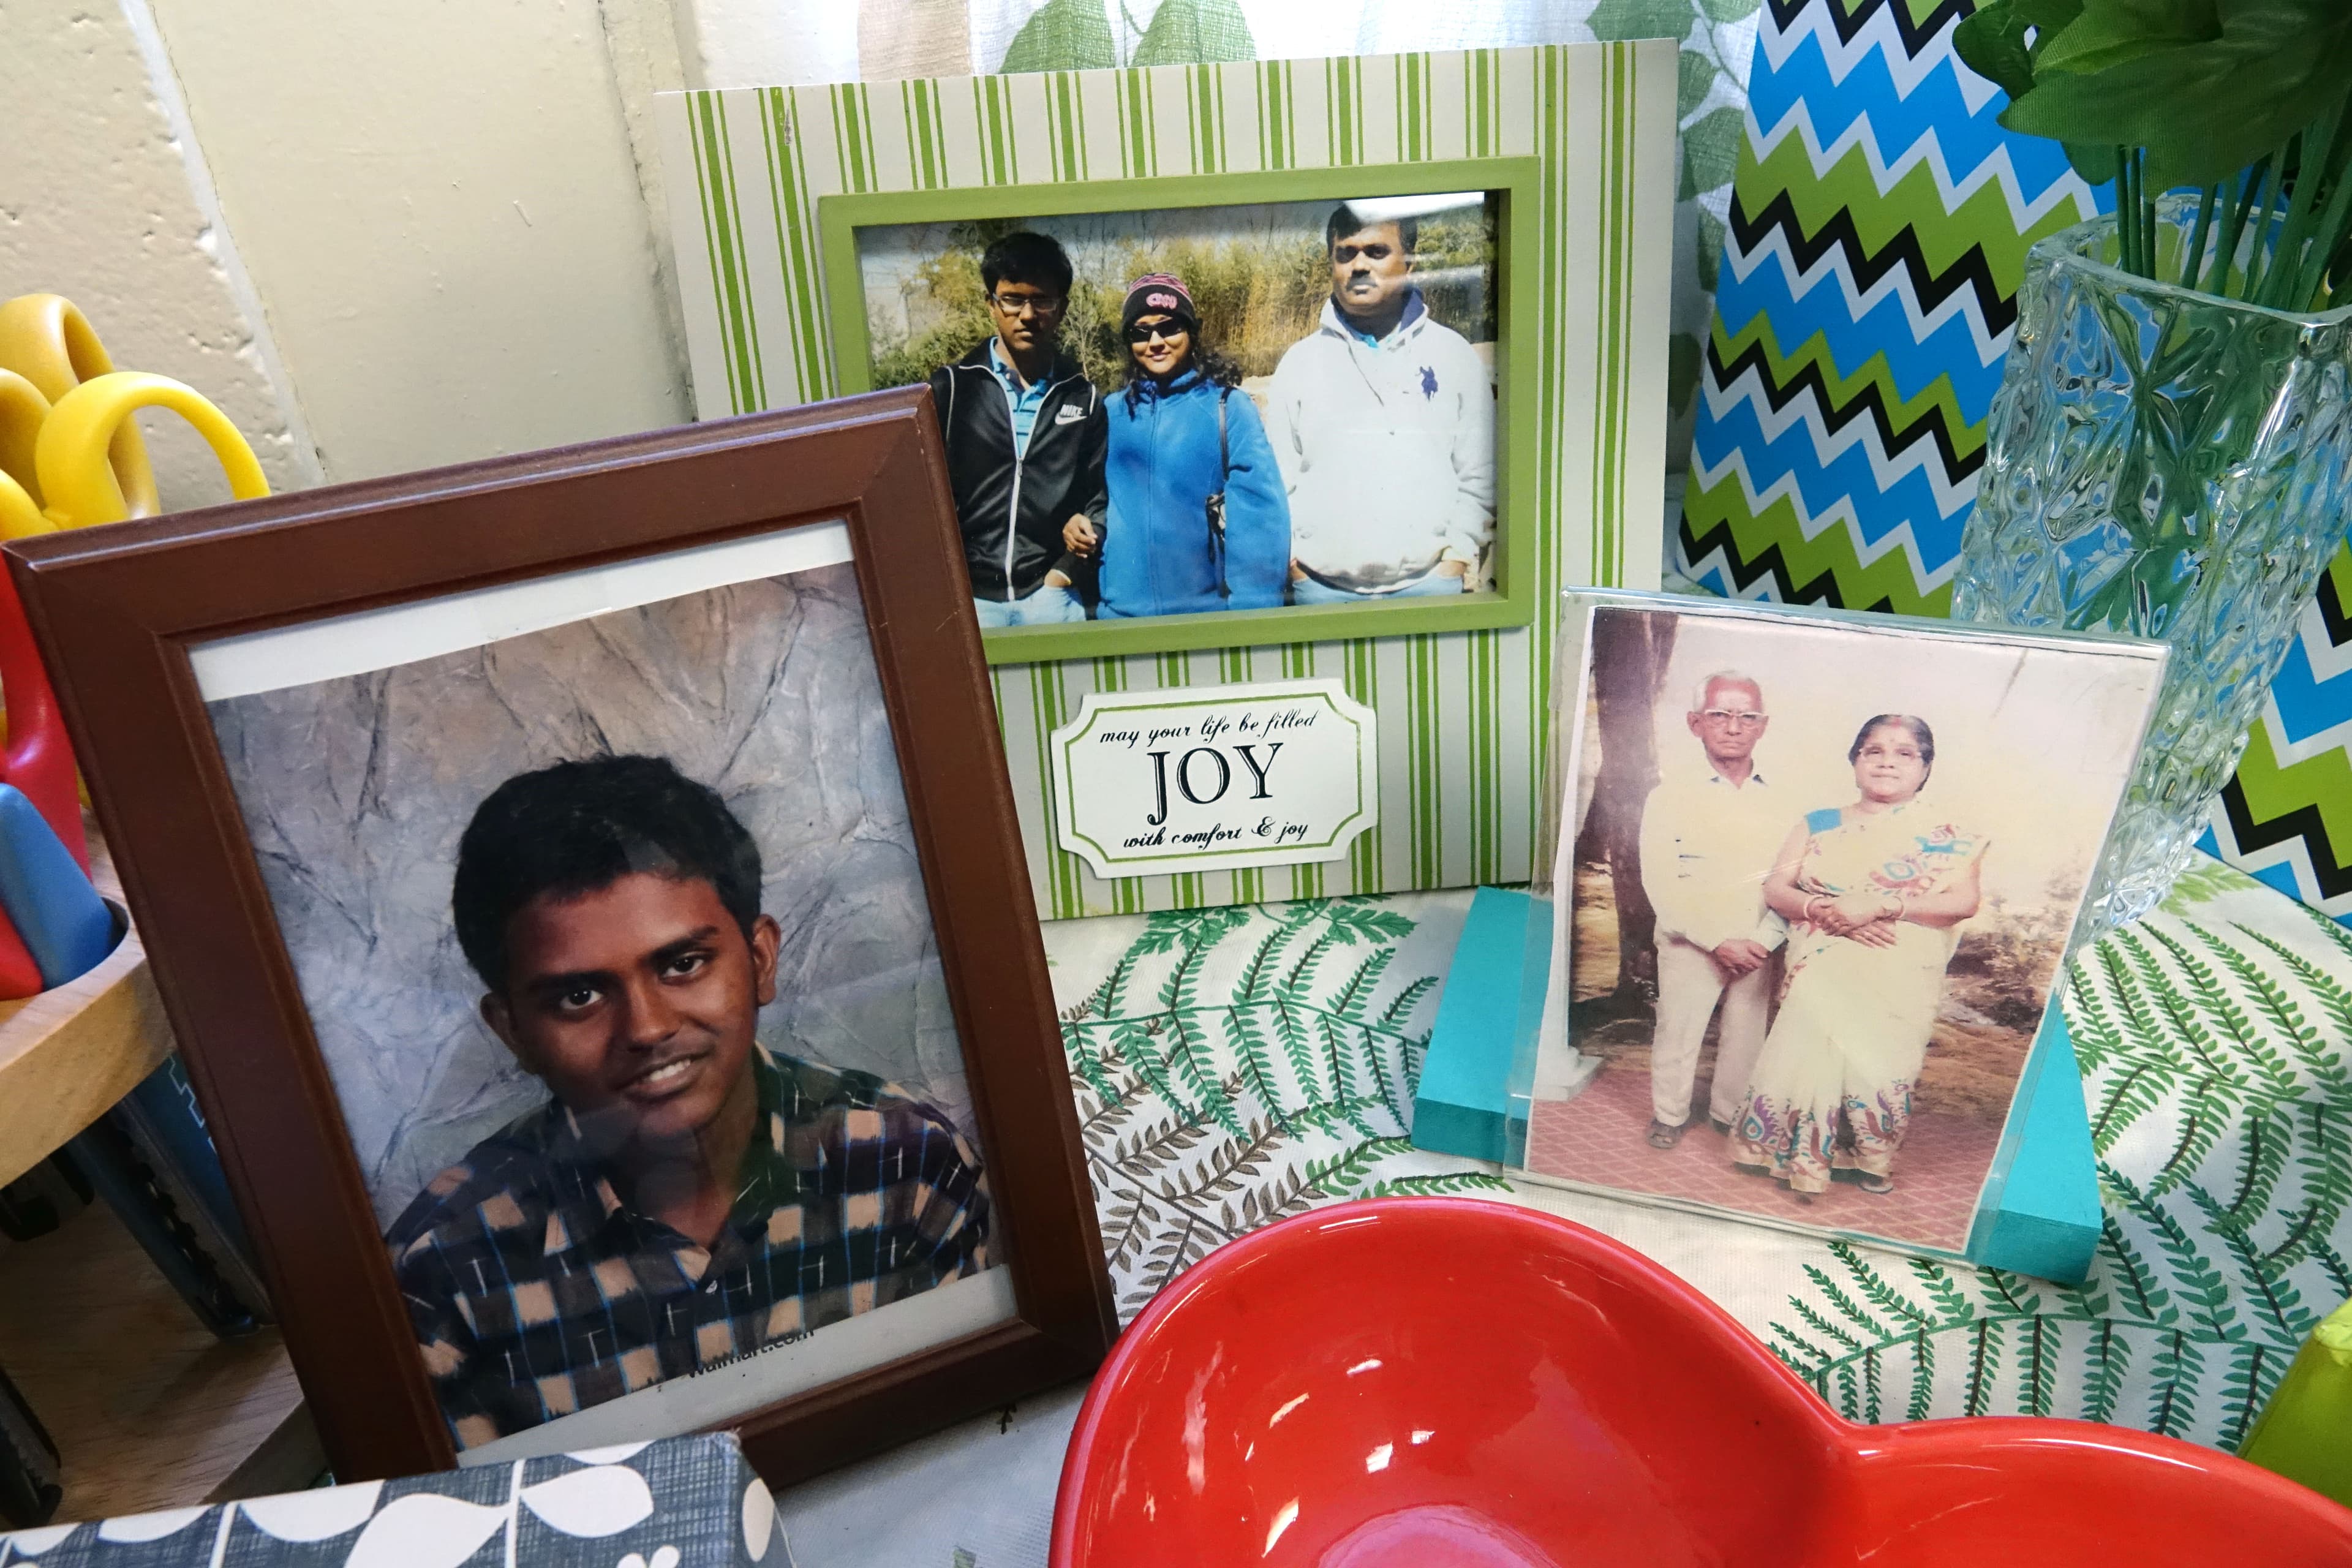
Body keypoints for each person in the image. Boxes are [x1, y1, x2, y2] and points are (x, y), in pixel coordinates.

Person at [385, 755, 990, 1449]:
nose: (646, 1028)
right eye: (579, 996)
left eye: (683, 964)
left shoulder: (908, 1166)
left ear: (759, 959)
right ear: (513, 1030)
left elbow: (963, 1448)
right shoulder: (441, 1276)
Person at [1731, 715, 1986, 1197]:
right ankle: (1790, 1156)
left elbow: (1962, 903)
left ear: (1926, 768)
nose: (1887, 760)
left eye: (1905, 753)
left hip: (1898, 975)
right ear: (1855, 761)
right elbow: (1776, 888)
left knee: (1879, 1066)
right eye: (1874, 750)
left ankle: (1870, 1158)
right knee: (1811, 1055)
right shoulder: (1818, 822)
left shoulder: (1950, 838)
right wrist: (1826, 910)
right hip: (1824, 964)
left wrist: (1884, 905)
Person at [1261, 202, 1494, 604]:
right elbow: (1276, 483)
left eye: (1376, 252)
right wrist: (1295, 566)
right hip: (1320, 591)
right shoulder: (1298, 364)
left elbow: (1481, 474)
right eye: (1346, 254)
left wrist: (1455, 559)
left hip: (1431, 588)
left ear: (1410, 262)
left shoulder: (1452, 354)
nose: (1359, 266)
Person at [1062, 274, 1289, 617]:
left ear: (1192, 332)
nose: (1155, 342)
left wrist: (1251, 619)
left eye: (1169, 328)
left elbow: (1261, 521)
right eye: (1141, 332)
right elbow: (1093, 498)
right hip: (1119, 619)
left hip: (1204, 620)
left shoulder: (1228, 408)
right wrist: (1079, 521)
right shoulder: (1110, 412)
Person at [1637, 672, 1789, 1150]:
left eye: (1747, 716)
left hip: (1758, 944)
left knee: (1747, 1035)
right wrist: (1716, 940)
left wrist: (1764, 940)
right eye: (1719, 714)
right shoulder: (1669, 797)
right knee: (1678, 1033)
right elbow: (1660, 882)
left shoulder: (1784, 800)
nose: (1733, 726)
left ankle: (1729, 1114)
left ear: (1762, 727)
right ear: (1695, 723)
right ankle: (1669, 1114)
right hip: (1691, 940)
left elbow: (1795, 877)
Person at [927, 231, 1107, 628]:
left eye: (1042, 300)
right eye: (1013, 299)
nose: (1027, 315)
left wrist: (1063, 573)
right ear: (991, 304)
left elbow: (1097, 496)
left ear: (1062, 308)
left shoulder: (1084, 397)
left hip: (1050, 597)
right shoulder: (951, 389)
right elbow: (916, 498)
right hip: (970, 603)